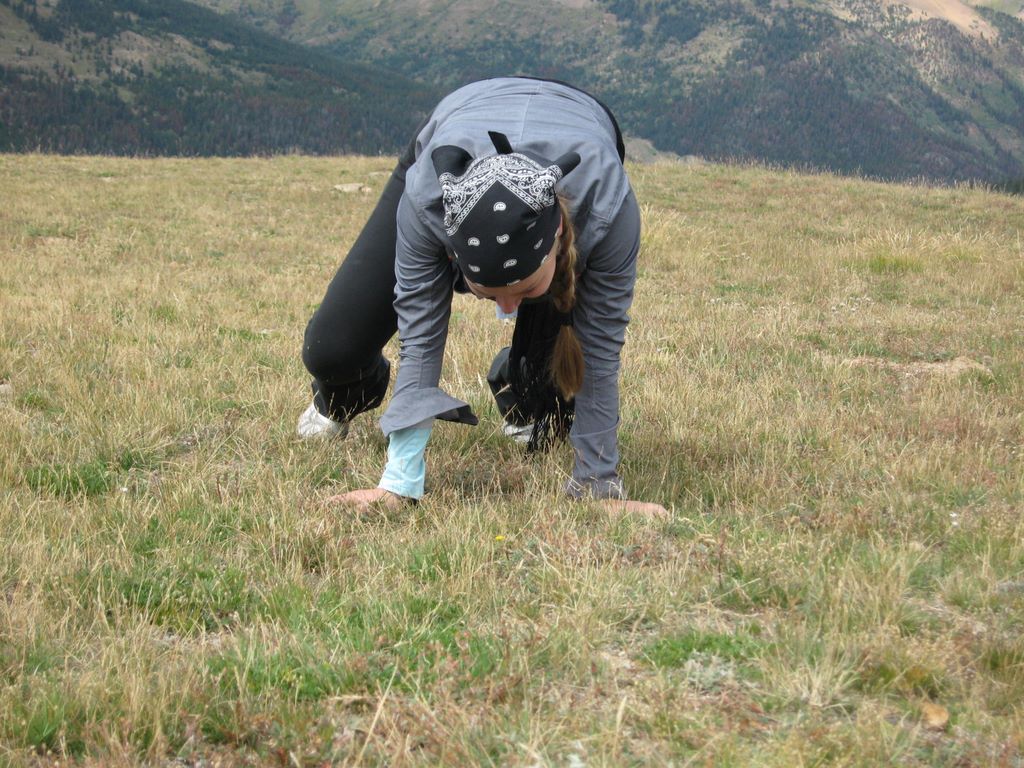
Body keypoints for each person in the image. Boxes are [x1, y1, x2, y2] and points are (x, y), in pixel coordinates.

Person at [299, 77, 667, 519]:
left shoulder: (607, 210)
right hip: (464, 116)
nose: (505, 312)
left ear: (558, 242)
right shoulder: (429, 203)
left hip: (579, 123)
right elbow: (421, 337)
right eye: (487, 292)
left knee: (546, 401)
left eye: (525, 290)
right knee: (333, 350)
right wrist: (399, 482)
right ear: (451, 254)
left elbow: (600, 348)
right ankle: (343, 396)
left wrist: (597, 484)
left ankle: (516, 377)